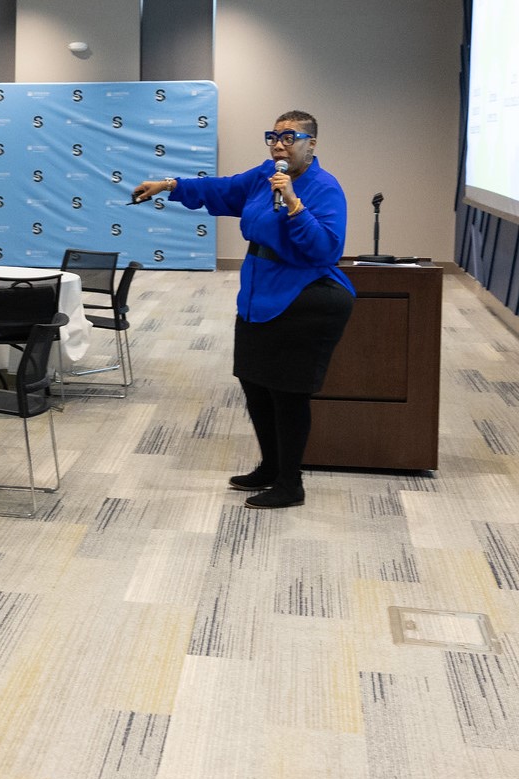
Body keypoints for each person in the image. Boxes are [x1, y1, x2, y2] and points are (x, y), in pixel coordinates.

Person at [132, 110, 353, 509]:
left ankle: (291, 483)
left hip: (305, 297)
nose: (278, 144)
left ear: (311, 144)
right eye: (274, 136)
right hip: (258, 295)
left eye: (289, 137)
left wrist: (293, 204)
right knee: (255, 385)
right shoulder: (263, 176)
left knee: (287, 394)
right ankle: (270, 467)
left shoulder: (324, 187)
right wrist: (168, 184)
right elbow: (223, 189)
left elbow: (326, 250)